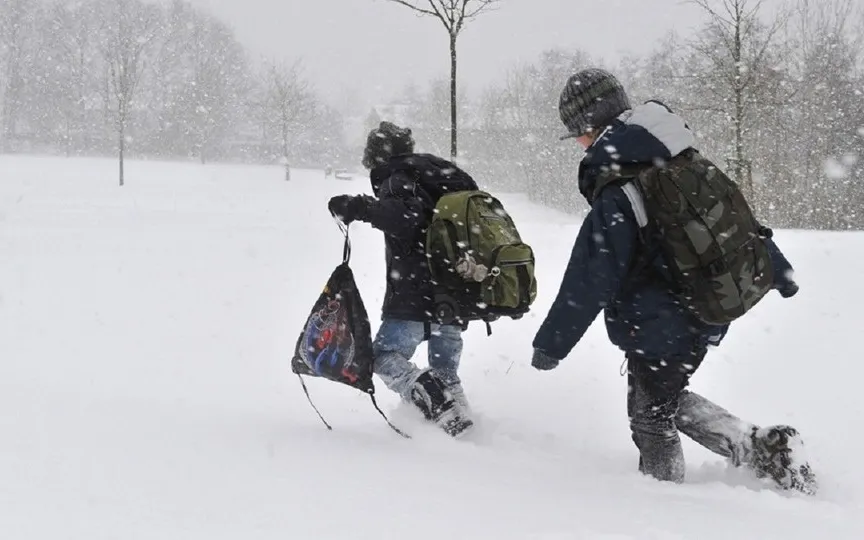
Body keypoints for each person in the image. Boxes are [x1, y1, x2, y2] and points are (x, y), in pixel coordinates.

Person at [530, 68, 817, 494]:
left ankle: (667, 500)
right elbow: (738, 222)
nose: (577, 143)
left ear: (591, 127)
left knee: (649, 415)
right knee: (662, 398)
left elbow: (590, 278)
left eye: (577, 133)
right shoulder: (684, 160)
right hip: (705, 304)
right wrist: (779, 269)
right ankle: (760, 447)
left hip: (661, 322)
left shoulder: (621, 189)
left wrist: (551, 345)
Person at [327, 121, 475, 437]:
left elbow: (406, 218)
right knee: (446, 373)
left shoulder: (396, 179)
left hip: (417, 294)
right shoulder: (437, 177)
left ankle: (436, 404)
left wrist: (359, 206)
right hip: (456, 294)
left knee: (382, 357)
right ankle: (466, 431)